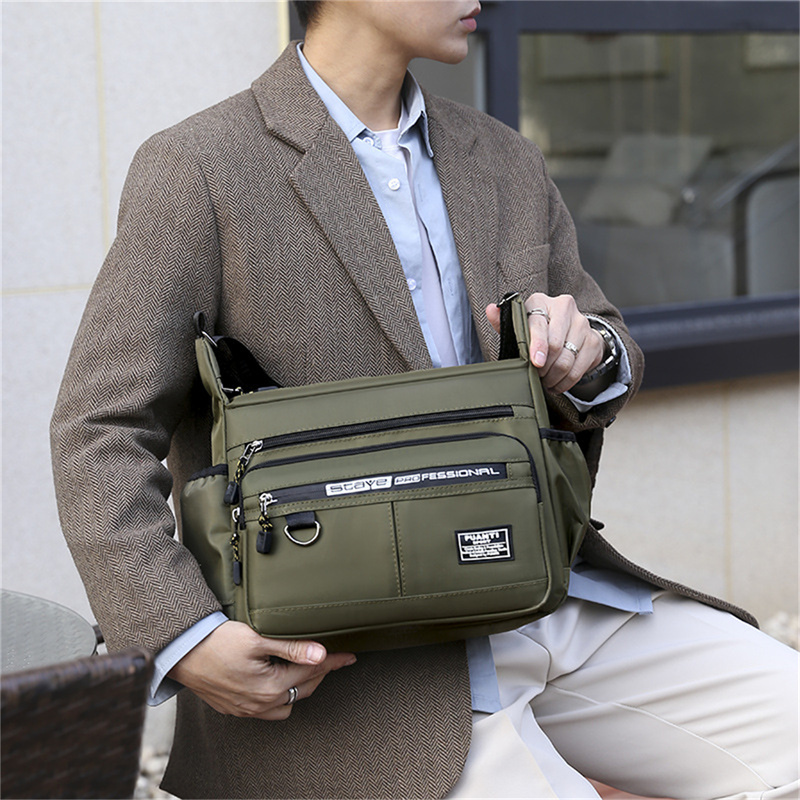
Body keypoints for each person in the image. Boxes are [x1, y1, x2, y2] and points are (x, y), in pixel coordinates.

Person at [51, 1, 798, 798]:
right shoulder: (201, 165)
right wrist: (186, 635)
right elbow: (99, 428)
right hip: (362, 663)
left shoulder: (503, 157)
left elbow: (603, 334)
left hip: (547, 592)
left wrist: (588, 353)